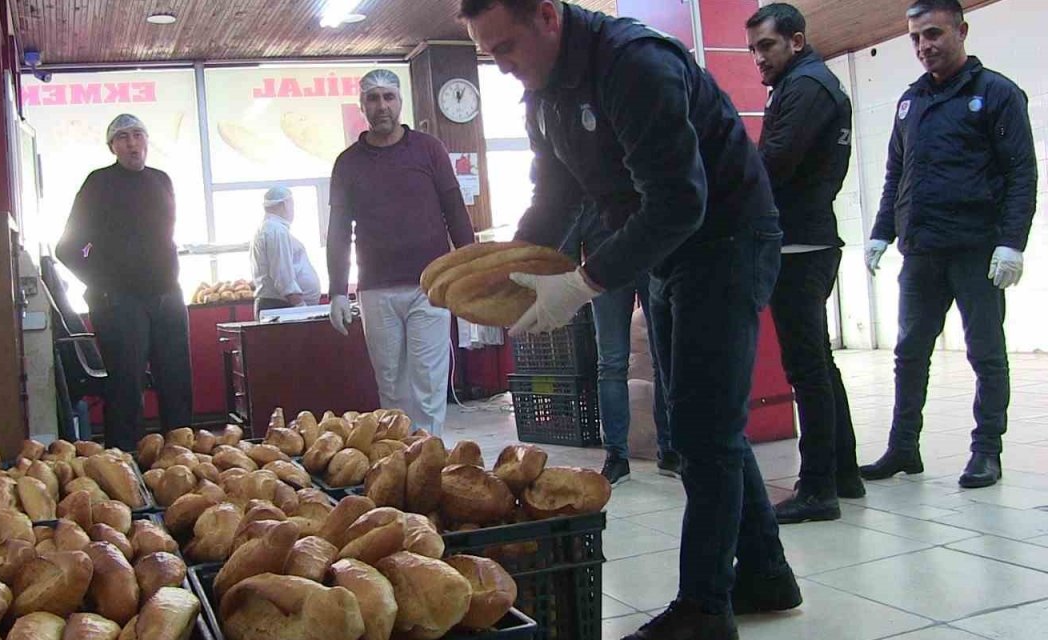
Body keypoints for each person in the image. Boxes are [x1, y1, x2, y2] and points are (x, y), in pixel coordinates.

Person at [461, 1, 799, 637]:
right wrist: (511, 274)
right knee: (706, 419)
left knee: (702, 430)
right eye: (489, 54)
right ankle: (765, 572)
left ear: (546, 16)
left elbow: (680, 201)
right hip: (672, 253)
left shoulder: (633, 64)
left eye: (505, 47)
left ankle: (705, 609)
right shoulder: (545, 92)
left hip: (727, 240)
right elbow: (555, 196)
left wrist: (584, 283)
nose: (501, 66)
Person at [861, 0, 1037, 489]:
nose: (924, 46)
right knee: (909, 351)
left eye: (934, 34)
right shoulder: (909, 101)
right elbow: (898, 172)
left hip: (976, 249)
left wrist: (1011, 243)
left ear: (961, 30)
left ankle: (987, 451)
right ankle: (902, 447)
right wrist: (881, 231)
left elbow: (1022, 172)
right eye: (916, 38)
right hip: (922, 250)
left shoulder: (997, 93)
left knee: (985, 352)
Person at [745, 3, 863, 525]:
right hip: (808, 240)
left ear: (795, 40)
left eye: (766, 47)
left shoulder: (807, 87)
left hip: (801, 245)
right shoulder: (804, 84)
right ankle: (842, 472)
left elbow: (775, 162)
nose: (758, 59)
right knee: (818, 363)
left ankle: (818, 487)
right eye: (752, 49)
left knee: (807, 368)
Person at [326, 69, 475, 434]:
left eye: (388, 97)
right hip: (376, 290)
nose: (382, 106)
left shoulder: (429, 150)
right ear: (362, 105)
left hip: (430, 287)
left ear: (400, 102)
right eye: (373, 98)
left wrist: (473, 271)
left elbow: (455, 211)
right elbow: (339, 231)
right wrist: (336, 291)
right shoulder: (348, 163)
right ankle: (398, 460)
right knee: (391, 385)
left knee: (427, 382)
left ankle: (428, 458)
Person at [55, 113, 193, 450]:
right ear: (112, 146)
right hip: (119, 302)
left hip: (167, 295)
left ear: (147, 140)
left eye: (137, 135)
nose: (132, 143)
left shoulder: (162, 180)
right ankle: (124, 461)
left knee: (176, 381)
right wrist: (103, 283)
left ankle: (184, 461)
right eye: (122, 137)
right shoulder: (99, 183)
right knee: (126, 388)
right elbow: (68, 248)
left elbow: (162, 238)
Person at [561, 203, 678, 484]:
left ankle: (663, 449)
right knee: (618, 362)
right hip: (611, 256)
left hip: (637, 252)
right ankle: (623, 454)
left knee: (654, 358)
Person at [249, 186, 322, 319]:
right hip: (281, 307)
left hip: (278, 305)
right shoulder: (276, 231)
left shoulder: (268, 228)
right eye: (292, 204)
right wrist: (301, 308)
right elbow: (282, 275)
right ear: (285, 204)